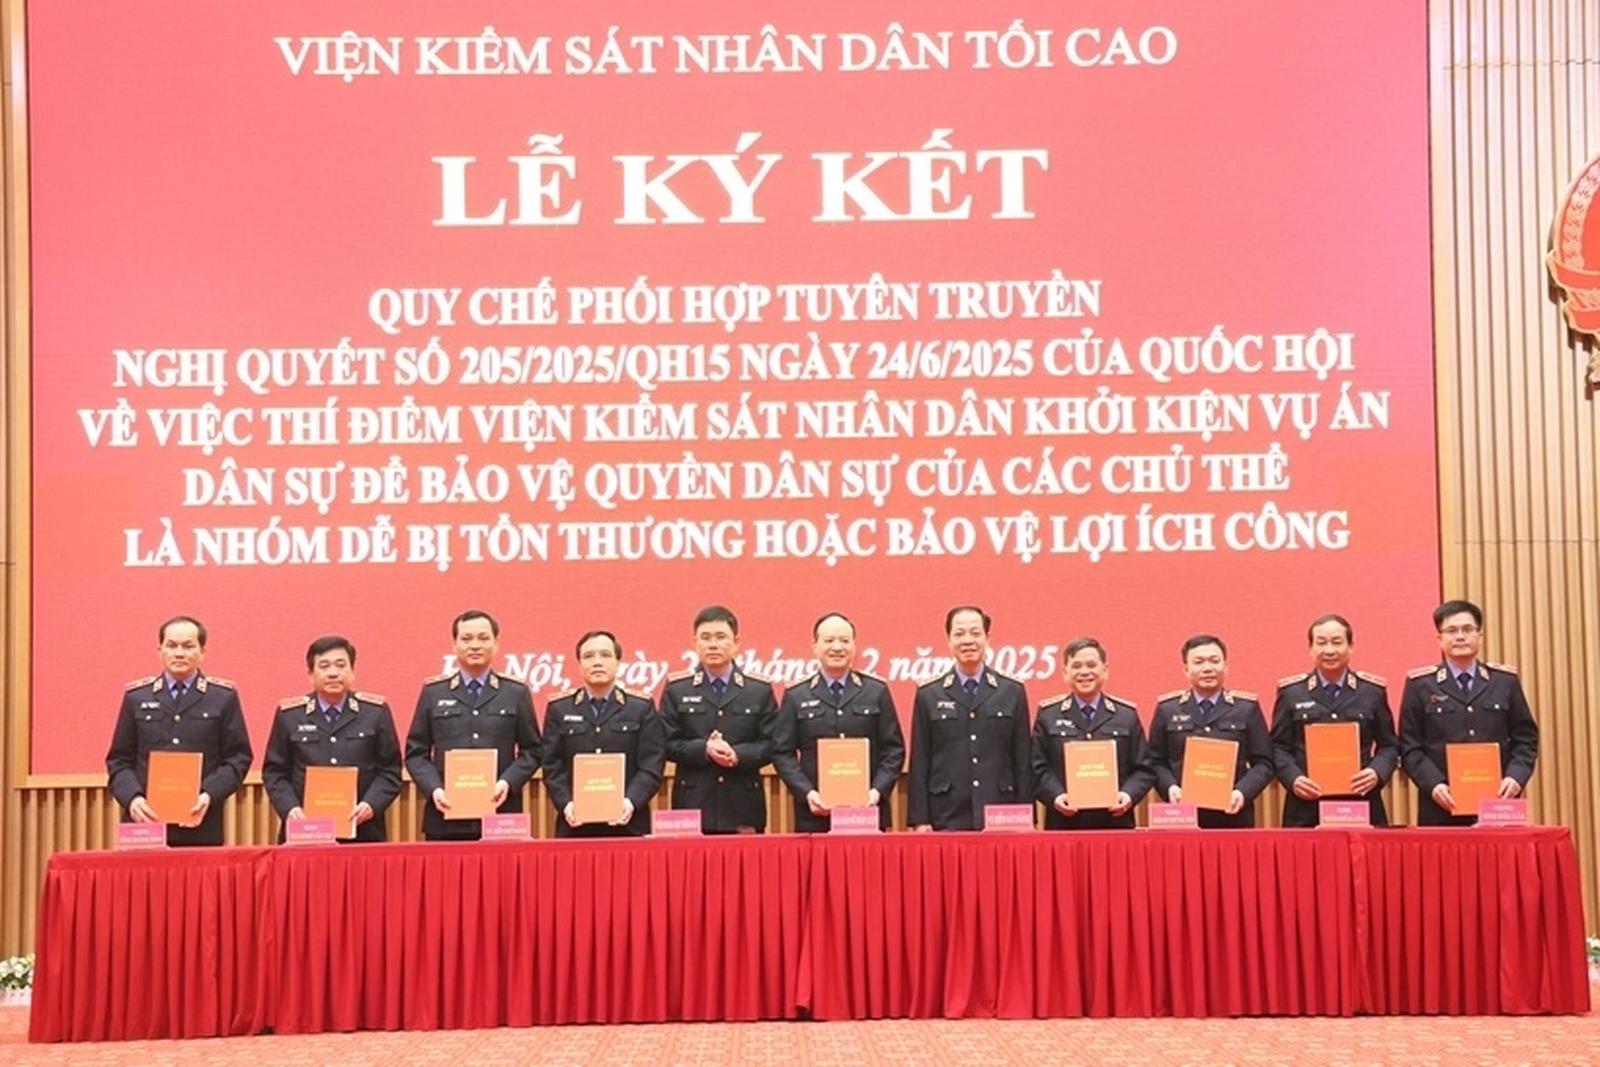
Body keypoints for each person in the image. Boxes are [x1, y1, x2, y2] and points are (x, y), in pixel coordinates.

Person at [105, 615, 253, 846]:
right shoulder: (137, 697)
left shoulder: (222, 697)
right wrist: (133, 799)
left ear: (202, 652)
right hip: (145, 823)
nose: (179, 653)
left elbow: (238, 758)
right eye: (172, 645)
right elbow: (119, 760)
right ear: (160, 651)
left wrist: (209, 794)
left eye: (188, 646)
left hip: (201, 823)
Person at [1399, 599, 1539, 825]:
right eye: (1451, 631)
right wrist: (1434, 785)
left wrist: (1515, 777)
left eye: (1467, 629)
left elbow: (1526, 739)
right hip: (1441, 806)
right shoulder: (1420, 685)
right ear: (1439, 639)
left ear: (1479, 636)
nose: (1460, 636)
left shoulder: (1505, 681)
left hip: (1499, 802)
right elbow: (1410, 747)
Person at [404, 610, 540, 840]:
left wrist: (507, 782)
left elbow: (533, 750)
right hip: (444, 816)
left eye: (483, 638)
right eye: (466, 639)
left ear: (496, 644)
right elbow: (415, 753)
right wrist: (434, 789)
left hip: (500, 814)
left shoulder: (515, 692)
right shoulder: (433, 692)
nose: (475, 645)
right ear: (454, 645)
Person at [772, 612, 906, 832]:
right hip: (815, 814)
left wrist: (875, 793)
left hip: (868, 812)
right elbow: (782, 753)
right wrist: (807, 793)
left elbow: (894, 750)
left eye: (844, 640)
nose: (837, 647)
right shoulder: (797, 695)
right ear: (815, 646)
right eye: (829, 640)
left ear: (854, 646)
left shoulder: (876, 691)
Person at [262, 635, 403, 842]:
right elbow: (274, 772)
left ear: (352, 671)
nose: (333, 673)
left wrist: (371, 805)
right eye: (324, 666)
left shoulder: (375, 712)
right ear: (311, 674)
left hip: (363, 831)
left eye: (340, 665)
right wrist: (290, 809)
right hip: (305, 829)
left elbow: (390, 770)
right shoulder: (290, 715)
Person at [906, 605, 1031, 830]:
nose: (967, 641)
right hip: (946, 813)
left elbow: (1023, 760)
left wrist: (1026, 816)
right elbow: (920, 761)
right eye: (959, 634)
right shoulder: (929, 693)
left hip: (1001, 811)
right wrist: (920, 819)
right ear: (949, 640)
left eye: (975, 633)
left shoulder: (1012, 691)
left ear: (987, 638)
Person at [1270, 614, 1399, 827]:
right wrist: (1294, 779)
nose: (1329, 650)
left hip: (1361, 802)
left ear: (1351, 647)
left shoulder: (1372, 692)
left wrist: (1376, 773)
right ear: (1311, 649)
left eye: (1337, 642)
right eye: (1321, 643)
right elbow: (1278, 747)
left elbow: (1389, 746)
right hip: (1306, 806)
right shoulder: (1291, 693)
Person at [659, 605, 778, 833]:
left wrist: (737, 754)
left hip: (743, 805)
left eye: (721, 637)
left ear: (736, 642)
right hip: (693, 804)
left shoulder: (758, 689)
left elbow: (773, 743)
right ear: (695, 642)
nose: (713, 644)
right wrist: (704, 749)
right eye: (705, 638)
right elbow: (665, 743)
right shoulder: (677, 688)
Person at [542, 630, 666, 837]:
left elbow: (651, 764)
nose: (597, 662)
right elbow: (552, 765)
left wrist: (630, 802)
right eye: (589, 656)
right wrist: (567, 804)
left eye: (605, 655)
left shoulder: (641, 707)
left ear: (618, 663)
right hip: (575, 825)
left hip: (629, 824)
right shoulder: (559, 708)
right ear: (579, 665)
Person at [1146, 633, 1273, 828]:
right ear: (1186, 669)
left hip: (1234, 816)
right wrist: (1170, 788)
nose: (1207, 668)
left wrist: (1242, 792)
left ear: (1226, 666)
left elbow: (1264, 763)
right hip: (1183, 816)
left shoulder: (1246, 709)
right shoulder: (1167, 709)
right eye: (1199, 662)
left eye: (1214, 661)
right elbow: (1155, 761)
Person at [1031, 637, 1154, 830]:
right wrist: (1055, 796)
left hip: (1115, 823)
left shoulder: (1126, 715)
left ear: (1105, 670)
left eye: (1091, 665)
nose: (1084, 672)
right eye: (1076, 666)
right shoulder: (1048, 715)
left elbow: (1144, 769)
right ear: (1065, 673)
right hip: (1064, 824)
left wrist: (1127, 795)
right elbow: (1036, 767)